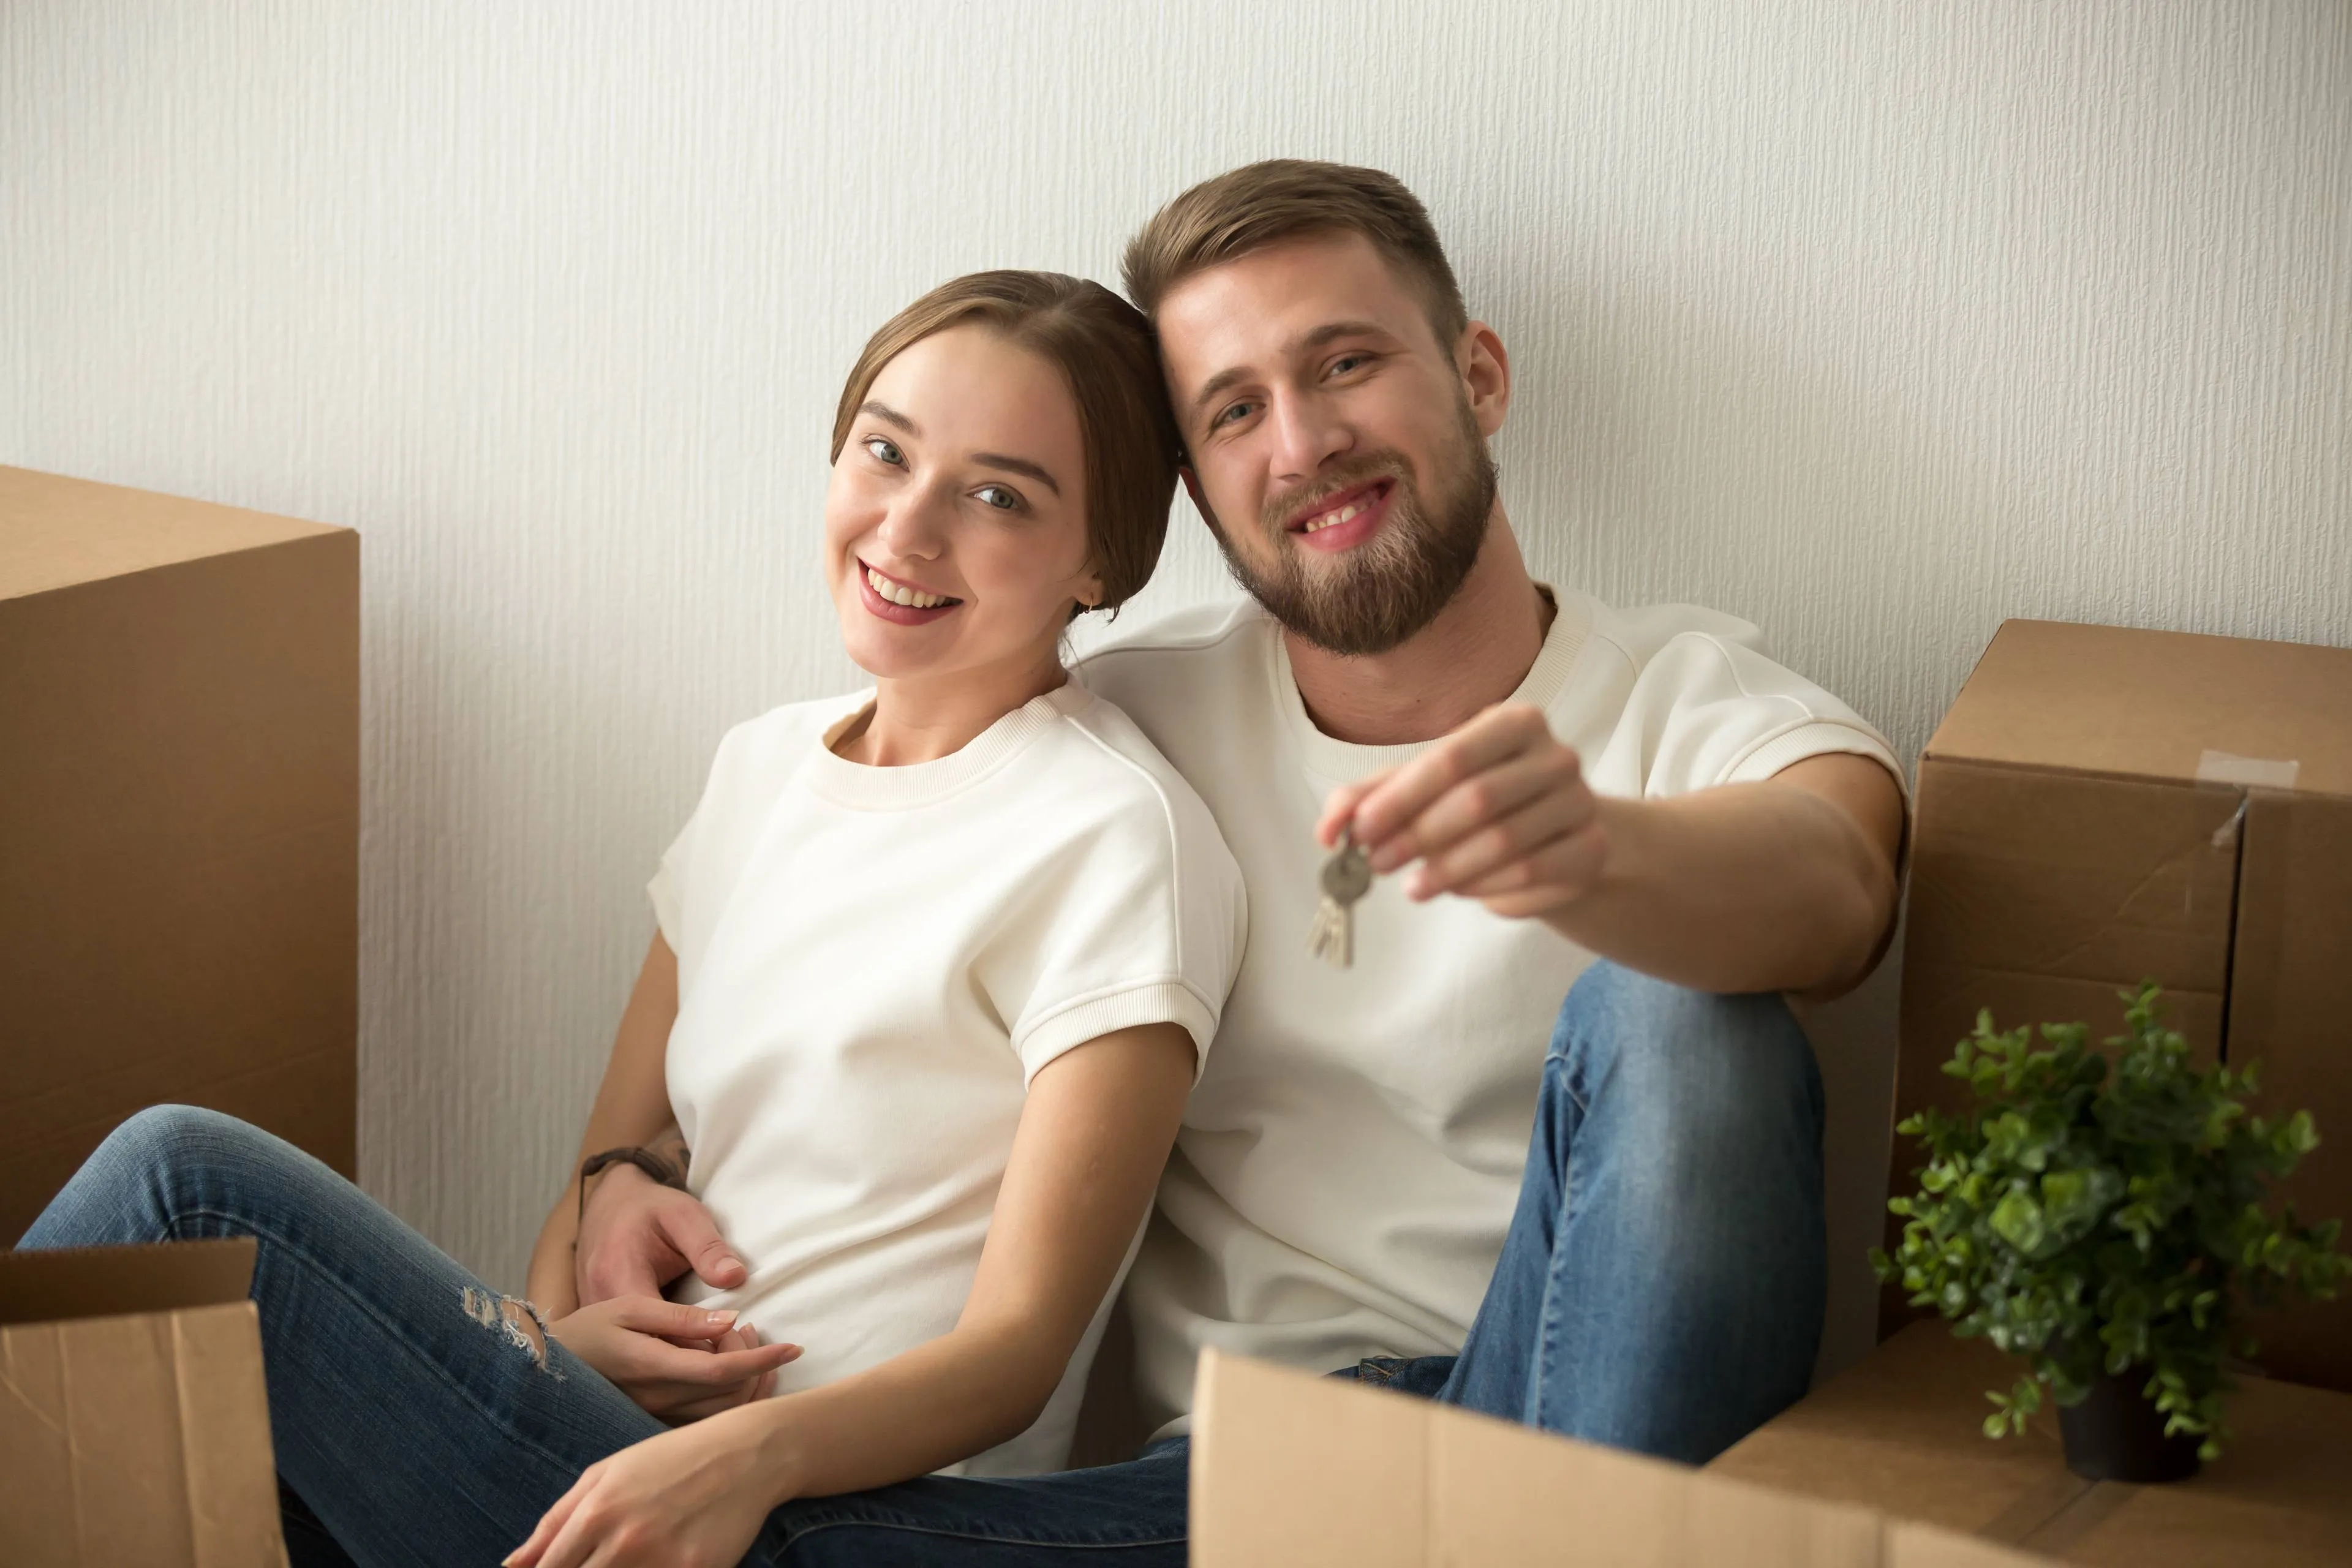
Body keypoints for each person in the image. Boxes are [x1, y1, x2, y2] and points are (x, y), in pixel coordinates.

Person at [568, 159, 1909, 1562]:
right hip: (1235, 1485)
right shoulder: (1120, 731)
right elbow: (828, 915)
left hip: (1564, 1419)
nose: (1305, 440)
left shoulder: (1690, 706)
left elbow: (1838, 884)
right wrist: (621, 1167)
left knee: (1687, 1010)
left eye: (1346, 364)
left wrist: (1597, 855)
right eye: (1234, 411)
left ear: (1480, 377)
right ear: (1193, 493)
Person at [18, 270, 1246, 1567]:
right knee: (178, 1463)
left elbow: (1017, 1352)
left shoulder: (1112, 833)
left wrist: (739, 1455)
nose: (908, 526)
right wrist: (561, 1328)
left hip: (792, 1509)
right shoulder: (760, 769)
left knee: (189, 1187)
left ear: (1105, 555)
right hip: (594, 1429)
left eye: (997, 494)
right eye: (884, 450)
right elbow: (596, 1176)